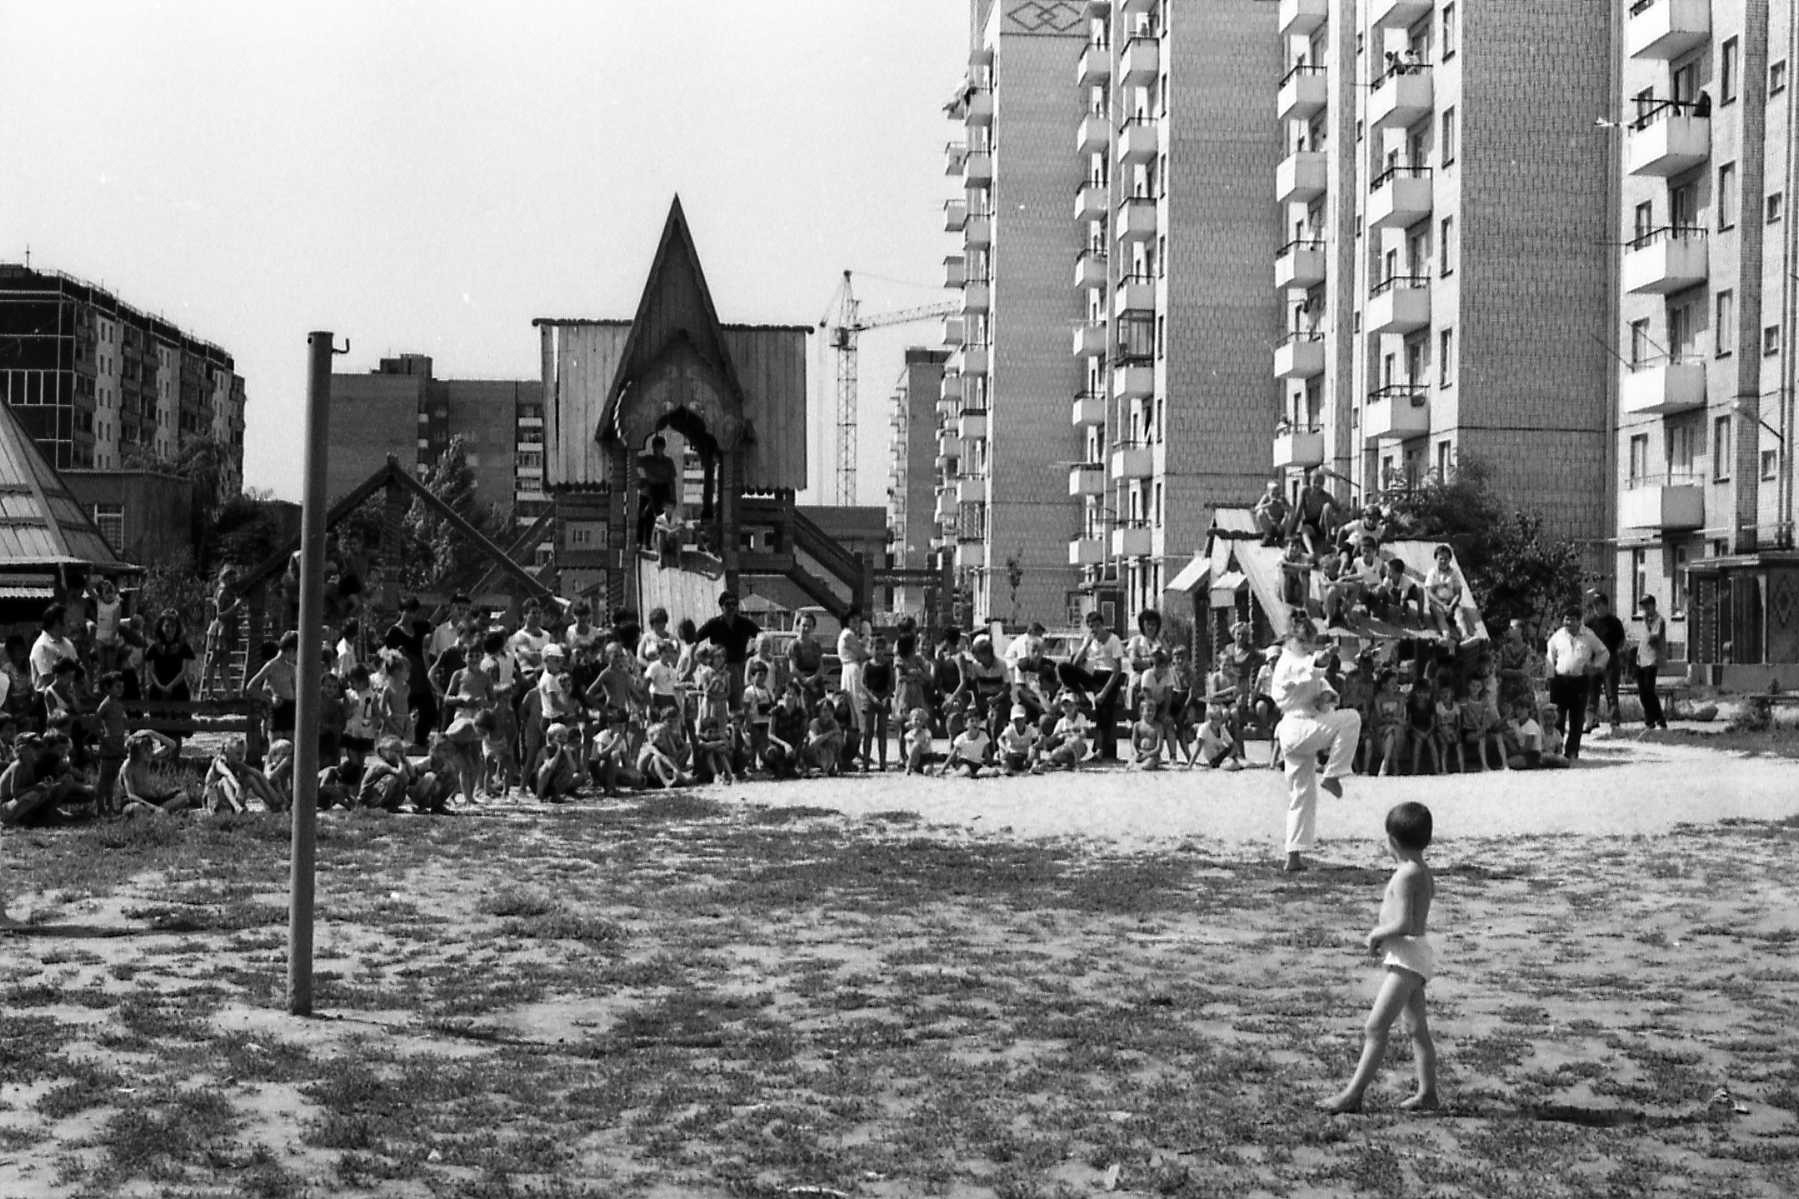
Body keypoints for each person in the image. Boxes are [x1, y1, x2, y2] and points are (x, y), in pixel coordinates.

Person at [1321, 802, 1440, 1115]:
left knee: (1375, 1027)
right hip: (1412, 955)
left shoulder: (1407, 875)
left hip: (1406, 960)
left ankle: (1353, 1094)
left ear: (1393, 841)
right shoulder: (1420, 870)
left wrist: (1378, 933)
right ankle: (1428, 1093)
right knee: (1416, 1029)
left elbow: (1406, 924)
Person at [1271, 621, 1363, 872]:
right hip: (1297, 727)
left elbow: (1325, 691)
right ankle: (1333, 774)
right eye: (1301, 641)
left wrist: (1327, 697)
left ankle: (1293, 856)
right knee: (1351, 719)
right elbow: (1308, 667)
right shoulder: (1287, 662)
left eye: (1309, 642)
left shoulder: (1306, 662)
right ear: (1289, 639)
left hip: (1303, 730)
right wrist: (1323, 658)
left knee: (1302, 794)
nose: (1305, 646)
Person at [1058, 610, 1127, 760]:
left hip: (1109, 678)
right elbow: (1075, 663)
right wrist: (1086, 645)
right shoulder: (1090, 640)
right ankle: (1081, 694)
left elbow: (1117, 669)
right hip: (1095, 676)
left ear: (1102, 625)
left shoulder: (1113, 640)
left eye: (1096, 626)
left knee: (1103, 709)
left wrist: (1104, 692)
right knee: (1063, 668)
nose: (1094, 629)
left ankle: (1100, 750)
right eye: (1091, 626)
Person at [1546, 605, 1607, 761]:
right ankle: (1556, 749)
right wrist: (1550, 676)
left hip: (1580, 681)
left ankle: (1572, 751)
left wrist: (1595, 667)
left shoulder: (1588, 635)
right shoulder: (1558, 636)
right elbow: (1550, 655)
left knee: (1577, 718)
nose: (1569, 622)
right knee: (1558, 718)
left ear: (1579, 621)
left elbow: (1603, 652)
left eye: (1572, 619)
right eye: (1566, 619)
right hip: (1560, 681)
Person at [695, 591, 762, 705]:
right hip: (718, 670)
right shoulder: (713, 624)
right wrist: (705, 660)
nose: (731, 607)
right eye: (727, 604)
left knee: (736, 704)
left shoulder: (744, 623)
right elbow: (695, 639)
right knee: (716, 702)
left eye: (734, 604)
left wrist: (752, 653)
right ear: (721, 607)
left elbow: (762, 636)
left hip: (738, 668)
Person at [1584, 591, 1627, 732]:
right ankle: (1590, 721)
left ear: (1606, 605)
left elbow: (1621, 641)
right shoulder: (1590, 623)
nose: (1597, 607)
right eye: (1595, 605)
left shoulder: (1614, 622)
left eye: (1599, 604)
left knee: (1611, 693)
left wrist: (1617, 654)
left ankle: (1614, 722)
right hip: (1593, 661)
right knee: (1591, 693)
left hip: (1610, 661)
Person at [635, 434, 678, 547]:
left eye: (659, 447)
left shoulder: (668, 462)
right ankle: (641, 542)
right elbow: (633, 461)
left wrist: (673, 497)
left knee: (660, 518)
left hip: (663, 491)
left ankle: (658, 544)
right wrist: (640, 480)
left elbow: (672, 481)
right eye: (655, 447)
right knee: (644, 516)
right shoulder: (647, 460)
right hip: (649, 490)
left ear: (663, 447)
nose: (657, 449)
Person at [1635, 596, 1669, 730]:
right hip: (1641, 659)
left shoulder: (1659, 620)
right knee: (1642, 692)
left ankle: (1660, 719)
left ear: (1653, 605)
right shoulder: (1645, 621)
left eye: (1647, 606)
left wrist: (1648, 624)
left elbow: (1654, 638)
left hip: (1652, 660)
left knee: (1649, 690)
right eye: (1643, 606)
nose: (1645, 609)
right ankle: (1649, 721)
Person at [996, 703, 1042, 774]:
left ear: (1025, 719)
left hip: (1027, 757)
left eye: (1021, 719)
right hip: (1012, 756)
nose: (1019, 722)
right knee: (1000, 748)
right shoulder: (1010, 729)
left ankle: (1035, 766)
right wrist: (1004, 748)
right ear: (1012, 720)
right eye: (1016, 720)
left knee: (1037, 749)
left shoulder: (1030, 729)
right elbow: (999, 739)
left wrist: (1034, 746)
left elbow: (1038, 740)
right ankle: (1006, 766)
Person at [1128, 694, 1166, 770]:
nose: (1151, 713)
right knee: (1130, 764)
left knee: (1147, 764)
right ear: (1141, 711)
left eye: (1153, 711)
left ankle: (1146, 766)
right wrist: (1136, 753)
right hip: (1140, 752)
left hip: (1152, 754)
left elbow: (1159, 748)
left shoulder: (1158, 726)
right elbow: (1133, 743)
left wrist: (1147, 754)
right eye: (1148, 710)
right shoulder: (1137, 725)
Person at [1252, 479, 1291, 547]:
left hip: (1280, 525)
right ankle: (1268, 535)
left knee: (1289, 514)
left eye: (1277, 493)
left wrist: (1282, 505)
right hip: (1270, 525)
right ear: (1268, 492)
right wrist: (1269, 504)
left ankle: (1283, 537)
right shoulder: (1266, 497)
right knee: (1260, 513)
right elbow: (1256, 508)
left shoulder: (1282, 498)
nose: (1275, 495)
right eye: (1273, 493)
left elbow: (1290, 510)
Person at [902, 707, 934, 775]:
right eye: (916, 719)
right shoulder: (909, 734)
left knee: (927, 770)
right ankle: (910, 767)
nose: (918, 722)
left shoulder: (926, 732)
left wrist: (922, 742)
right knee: (915, 745)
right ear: (911, 721)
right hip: (914, 758)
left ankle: (922, 769)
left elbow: (926, 743)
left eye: (921, 720)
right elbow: (909, 748)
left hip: (925, 758)